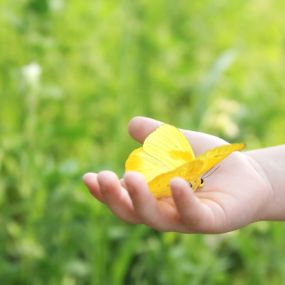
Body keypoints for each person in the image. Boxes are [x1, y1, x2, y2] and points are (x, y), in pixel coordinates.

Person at [83, 116, 285, 233]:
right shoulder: (195, 171)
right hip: (161, 179)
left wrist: (264, 176)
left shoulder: (194, 173)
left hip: (158, 173)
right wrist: (263, 172)